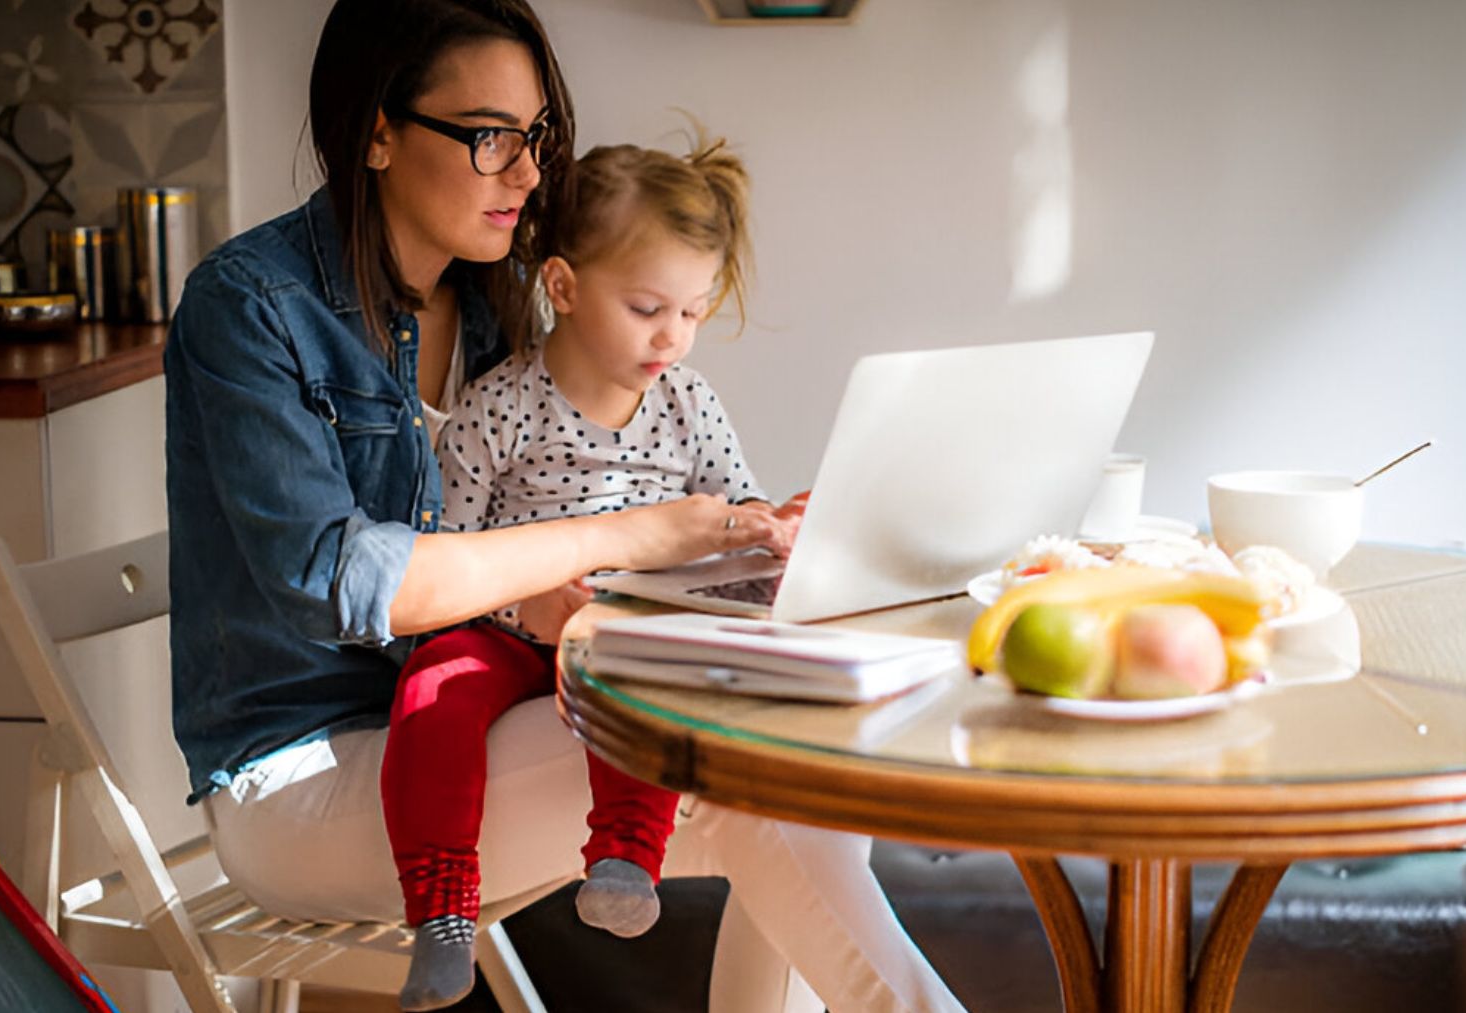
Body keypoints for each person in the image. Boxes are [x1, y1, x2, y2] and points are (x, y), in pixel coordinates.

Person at [163, 2, 967, 1011]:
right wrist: (630, 535)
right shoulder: (251, 306)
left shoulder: (498, 303)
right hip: (306, 769)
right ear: (375, 129)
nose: (531, 173)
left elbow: (571, 504)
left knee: (775, 756)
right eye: (489, 135)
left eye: (535, 136)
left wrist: (745, 539)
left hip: (492, 711)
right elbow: (354, 579)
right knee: (739, 761)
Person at [383, 129, 800, 1007]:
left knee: (648, 685)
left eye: (692, 312)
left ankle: (624, 858)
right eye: (650, 309)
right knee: (430, 693)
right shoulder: (499, 406)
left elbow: (733, 510)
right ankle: (443, 910)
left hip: (619, 632)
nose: (674, 338)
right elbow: (445, 555)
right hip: (506, 632)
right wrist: (524, 612)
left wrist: (772, 525)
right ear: (563, 286)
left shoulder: (688, 404)